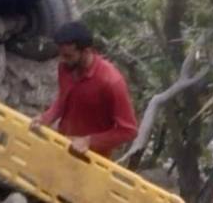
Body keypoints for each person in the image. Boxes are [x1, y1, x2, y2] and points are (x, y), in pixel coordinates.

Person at [30, 21, 138, 158]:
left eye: (68, 56)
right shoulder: (66, 67)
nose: (62, 60)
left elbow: (129, 131)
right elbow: (63, 100)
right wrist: (45, 118)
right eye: (61, 55)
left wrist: (89, 141)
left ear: (86, 51)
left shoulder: (111, 82)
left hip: (93, 159)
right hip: (63, 145)